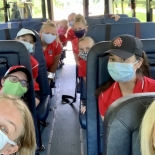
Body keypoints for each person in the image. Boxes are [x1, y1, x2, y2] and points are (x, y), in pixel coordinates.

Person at [96, 34, 155, 121]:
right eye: (112, 59)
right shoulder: (105, 97)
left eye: (123, 59)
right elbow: (110, 132)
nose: (116, 65)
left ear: (138, 63)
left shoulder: (152, 90)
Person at [15, 28, 40, 106]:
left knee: (28, 107)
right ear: (16, 40)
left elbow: (32, 82)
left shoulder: (34, 63)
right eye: (24, 40)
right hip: (9, 88)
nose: (27, 43)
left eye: (31, 42)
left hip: (30, 90)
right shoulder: (6, 58)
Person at [78, 37, 95, 114]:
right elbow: (88, 85)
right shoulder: (82, 64)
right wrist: (88, 104)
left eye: (88, 48)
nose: (85, 51)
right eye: (81, 49)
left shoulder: (102, 60)